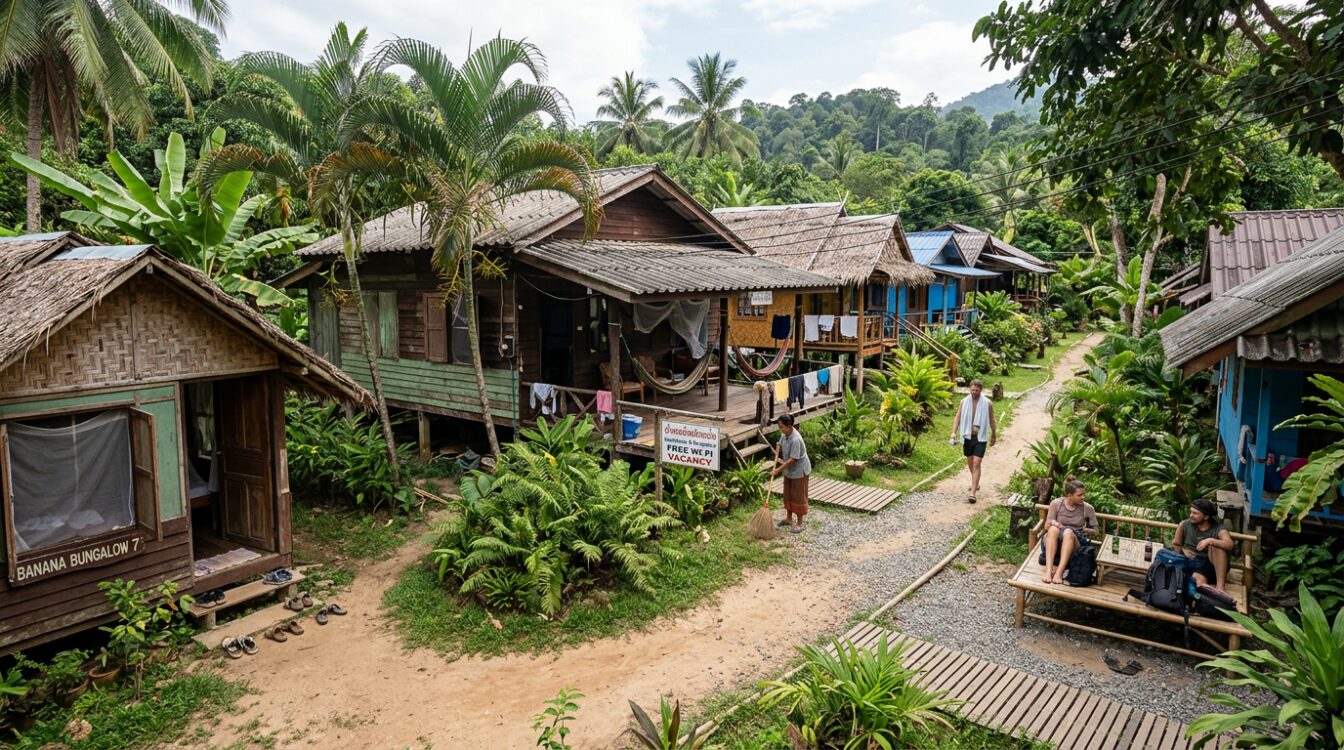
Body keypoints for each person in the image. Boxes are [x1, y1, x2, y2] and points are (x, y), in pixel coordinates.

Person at [1041, 477, 1097, 584]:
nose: (1083, 497)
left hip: (1074, 545)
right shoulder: (1056, 504)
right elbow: (1046, 526)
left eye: (1083, 494)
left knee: (1068, 532)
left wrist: (1083, 530)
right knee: (1053, 529)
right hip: (1054, 543)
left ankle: (1059, 573)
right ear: (1069, 496)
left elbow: (1095, 530)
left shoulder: (1088, 508)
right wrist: (1054, 523)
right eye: (1079, 495)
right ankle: (1048, 571)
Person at [949, 379, 997, 503]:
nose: (974, 392)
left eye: (976, 390)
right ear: (970, 389)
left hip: (980, 437)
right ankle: (976, 482)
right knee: (970, 462)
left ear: (980, 390)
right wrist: (953, 433)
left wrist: (993, 435)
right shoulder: (964, 402)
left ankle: (973, 493)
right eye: (972, 389)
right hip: (967, 436)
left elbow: (992, 419)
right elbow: (958, 417)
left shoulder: (987, 403)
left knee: (976, 463)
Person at [1173, 497, 1234, 592]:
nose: (1191, 515)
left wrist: (1210, 541)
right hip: (1192, 564)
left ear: (1206, 516)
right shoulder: (1184, 525)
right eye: (1191, 512)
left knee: (1216, 546)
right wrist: (1183, 550)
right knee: (1194, 585)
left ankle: (1220, 587)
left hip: (1210, 566)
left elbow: (1229, 544)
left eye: (1195, 513)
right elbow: (1176, 544)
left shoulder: (1218, 529)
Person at [771, 413, 812, 534]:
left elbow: (793, 459)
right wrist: (778, 445)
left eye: (782, 426)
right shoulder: (785, 434)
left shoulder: (796, 439)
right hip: (789, 470)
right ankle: (789, 518)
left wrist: (778, 470)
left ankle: (799, 523)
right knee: (788, 493)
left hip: (800, 471)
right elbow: (781, 441)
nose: (780, 429)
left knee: (798, 495)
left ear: (789, 426)